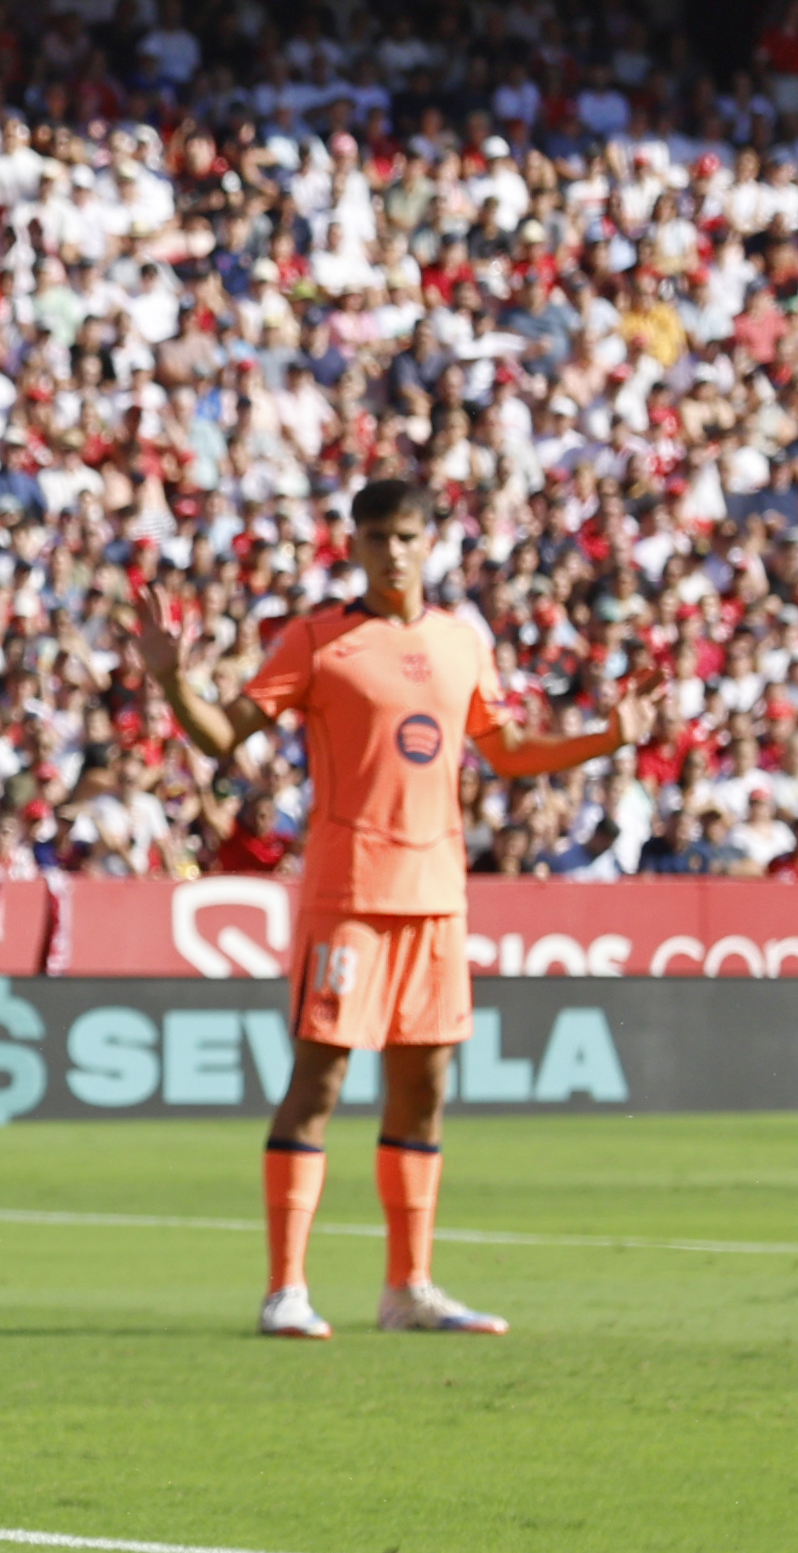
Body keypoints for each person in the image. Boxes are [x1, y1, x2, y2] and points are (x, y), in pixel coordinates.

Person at [132, 481, 656, 1337]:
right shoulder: (317, 641)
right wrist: (169, 680)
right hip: (346, 895)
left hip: (436, 898)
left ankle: (407, 1289)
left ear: (429, 541)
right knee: (319, 1080)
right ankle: (285, 1290)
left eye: (406, 536)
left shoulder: (459, 642)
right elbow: (222, 736)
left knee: (423, 1090)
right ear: (353, 546)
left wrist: (606, 736)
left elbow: (506, 750)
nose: (392, 552)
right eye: (376, 537)